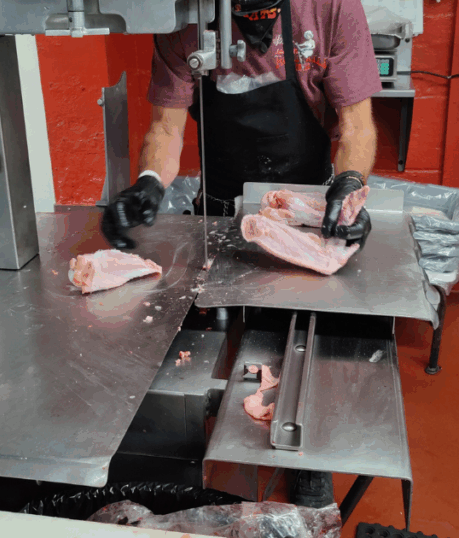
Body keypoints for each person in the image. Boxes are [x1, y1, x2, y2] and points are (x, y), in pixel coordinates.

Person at [101, 0, 381, 508]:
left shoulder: (333, 8)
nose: (251, 28)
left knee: (299, 340)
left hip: (303, 210)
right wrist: (146, 185)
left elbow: (356, 124)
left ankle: (306, 464)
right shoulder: (181, 16)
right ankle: (190, 454)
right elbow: (166, 128)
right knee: (193, 341)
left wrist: (350, 181)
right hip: (219, 210)